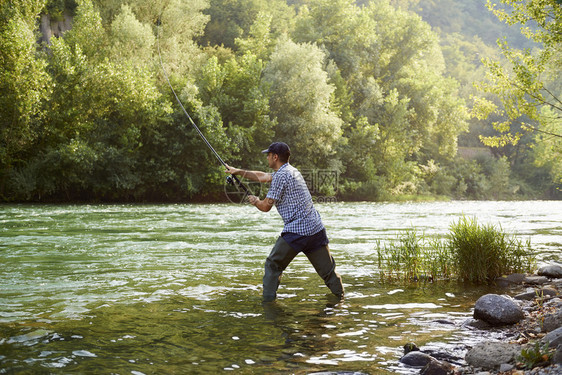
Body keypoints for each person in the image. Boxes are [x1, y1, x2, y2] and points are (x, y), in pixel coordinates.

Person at [225, 142, 344, 303]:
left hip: (297, 231)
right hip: (316, 229)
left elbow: (266, 206)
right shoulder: (292, 171)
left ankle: (268, 305)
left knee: (273, 265)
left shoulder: (281, 176)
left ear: (275, 157)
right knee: (328, 272)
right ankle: (342, 301)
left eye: (268, 154)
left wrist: (255, 201)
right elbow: (263, 177)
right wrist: (237, 171)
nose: (266, 157)